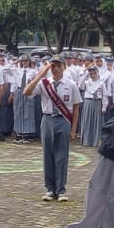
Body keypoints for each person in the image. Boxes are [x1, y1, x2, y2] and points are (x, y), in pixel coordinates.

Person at [25, 57, 81, 201]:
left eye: (58, 66)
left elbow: (76, 108)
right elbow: (27, 92)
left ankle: (61, 189)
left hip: (63, 120)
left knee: (62, 156)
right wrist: (40, 75)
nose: (55, 69)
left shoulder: (71, 85)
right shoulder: (44, 84)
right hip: (47, 119)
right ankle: (50, 189)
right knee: (48, 155)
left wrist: (73, 129)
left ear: (64, 67)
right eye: (52, 66)